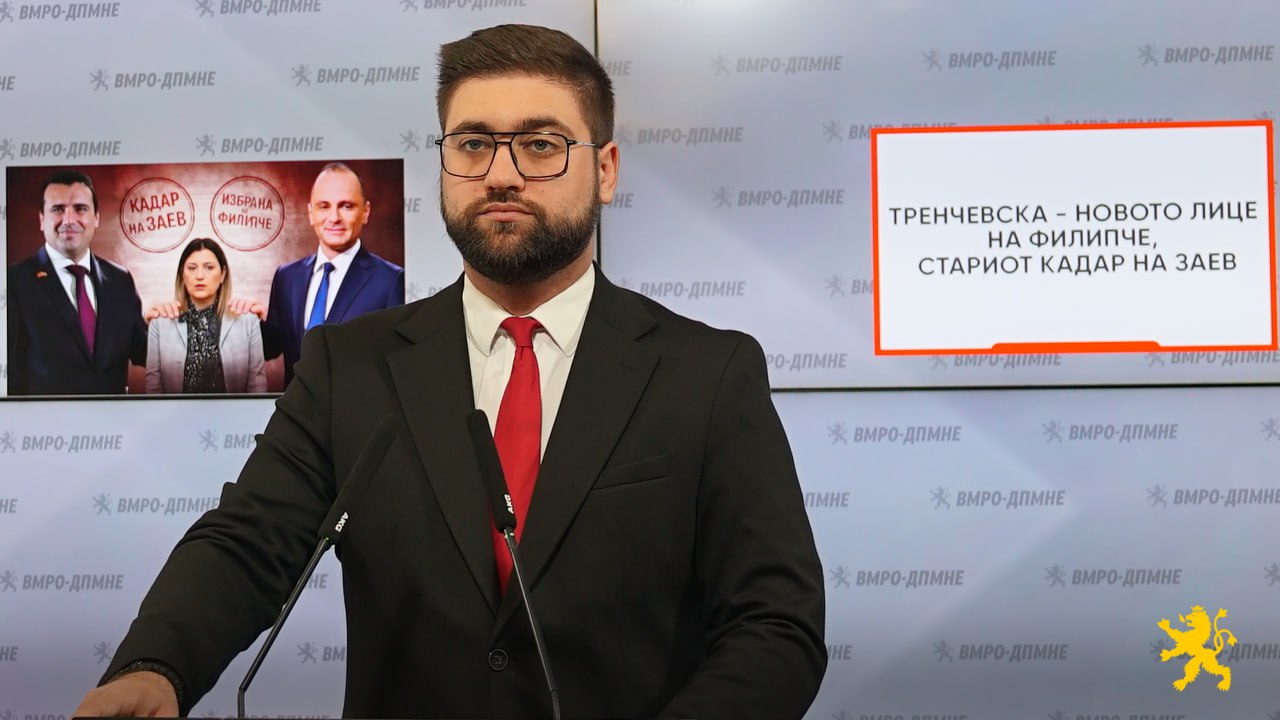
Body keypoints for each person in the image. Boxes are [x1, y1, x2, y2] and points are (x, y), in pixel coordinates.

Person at [75, 24, 826, 720]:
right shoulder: (350, 366)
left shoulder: (706, 373)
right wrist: (156, 668)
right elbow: (247, 545)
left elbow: (775, 625)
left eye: (540, 145)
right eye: (472, 144)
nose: (501, 175)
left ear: (604, 170)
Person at [260, 162, 405, 386]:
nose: (334, 217)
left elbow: (398, 362)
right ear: (311, 213)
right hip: (296, 407)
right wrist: (249, 323)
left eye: (346, 206)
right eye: (324, 206)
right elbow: (271, 348)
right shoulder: (286, 277)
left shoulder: (391, 280)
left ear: (365, 212)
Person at [7, 169, 147, 395]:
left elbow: (143, 352)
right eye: (58, 209)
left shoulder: (120, 280)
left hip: (115, 417)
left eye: (80, 209)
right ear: (41, 219)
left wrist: (167, 325)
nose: (69, 220)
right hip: (46, 419)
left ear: (96, 218)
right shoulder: (12, 283)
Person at [145, 238, 267, 394]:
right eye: (192, 268)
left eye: (209, 267)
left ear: (223, 274)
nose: (200, 276)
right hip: (175, 410)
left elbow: (257, 385)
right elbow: (153, 387)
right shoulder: (160, 322)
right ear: (182, 274)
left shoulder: (247, 320)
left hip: (233, 410)